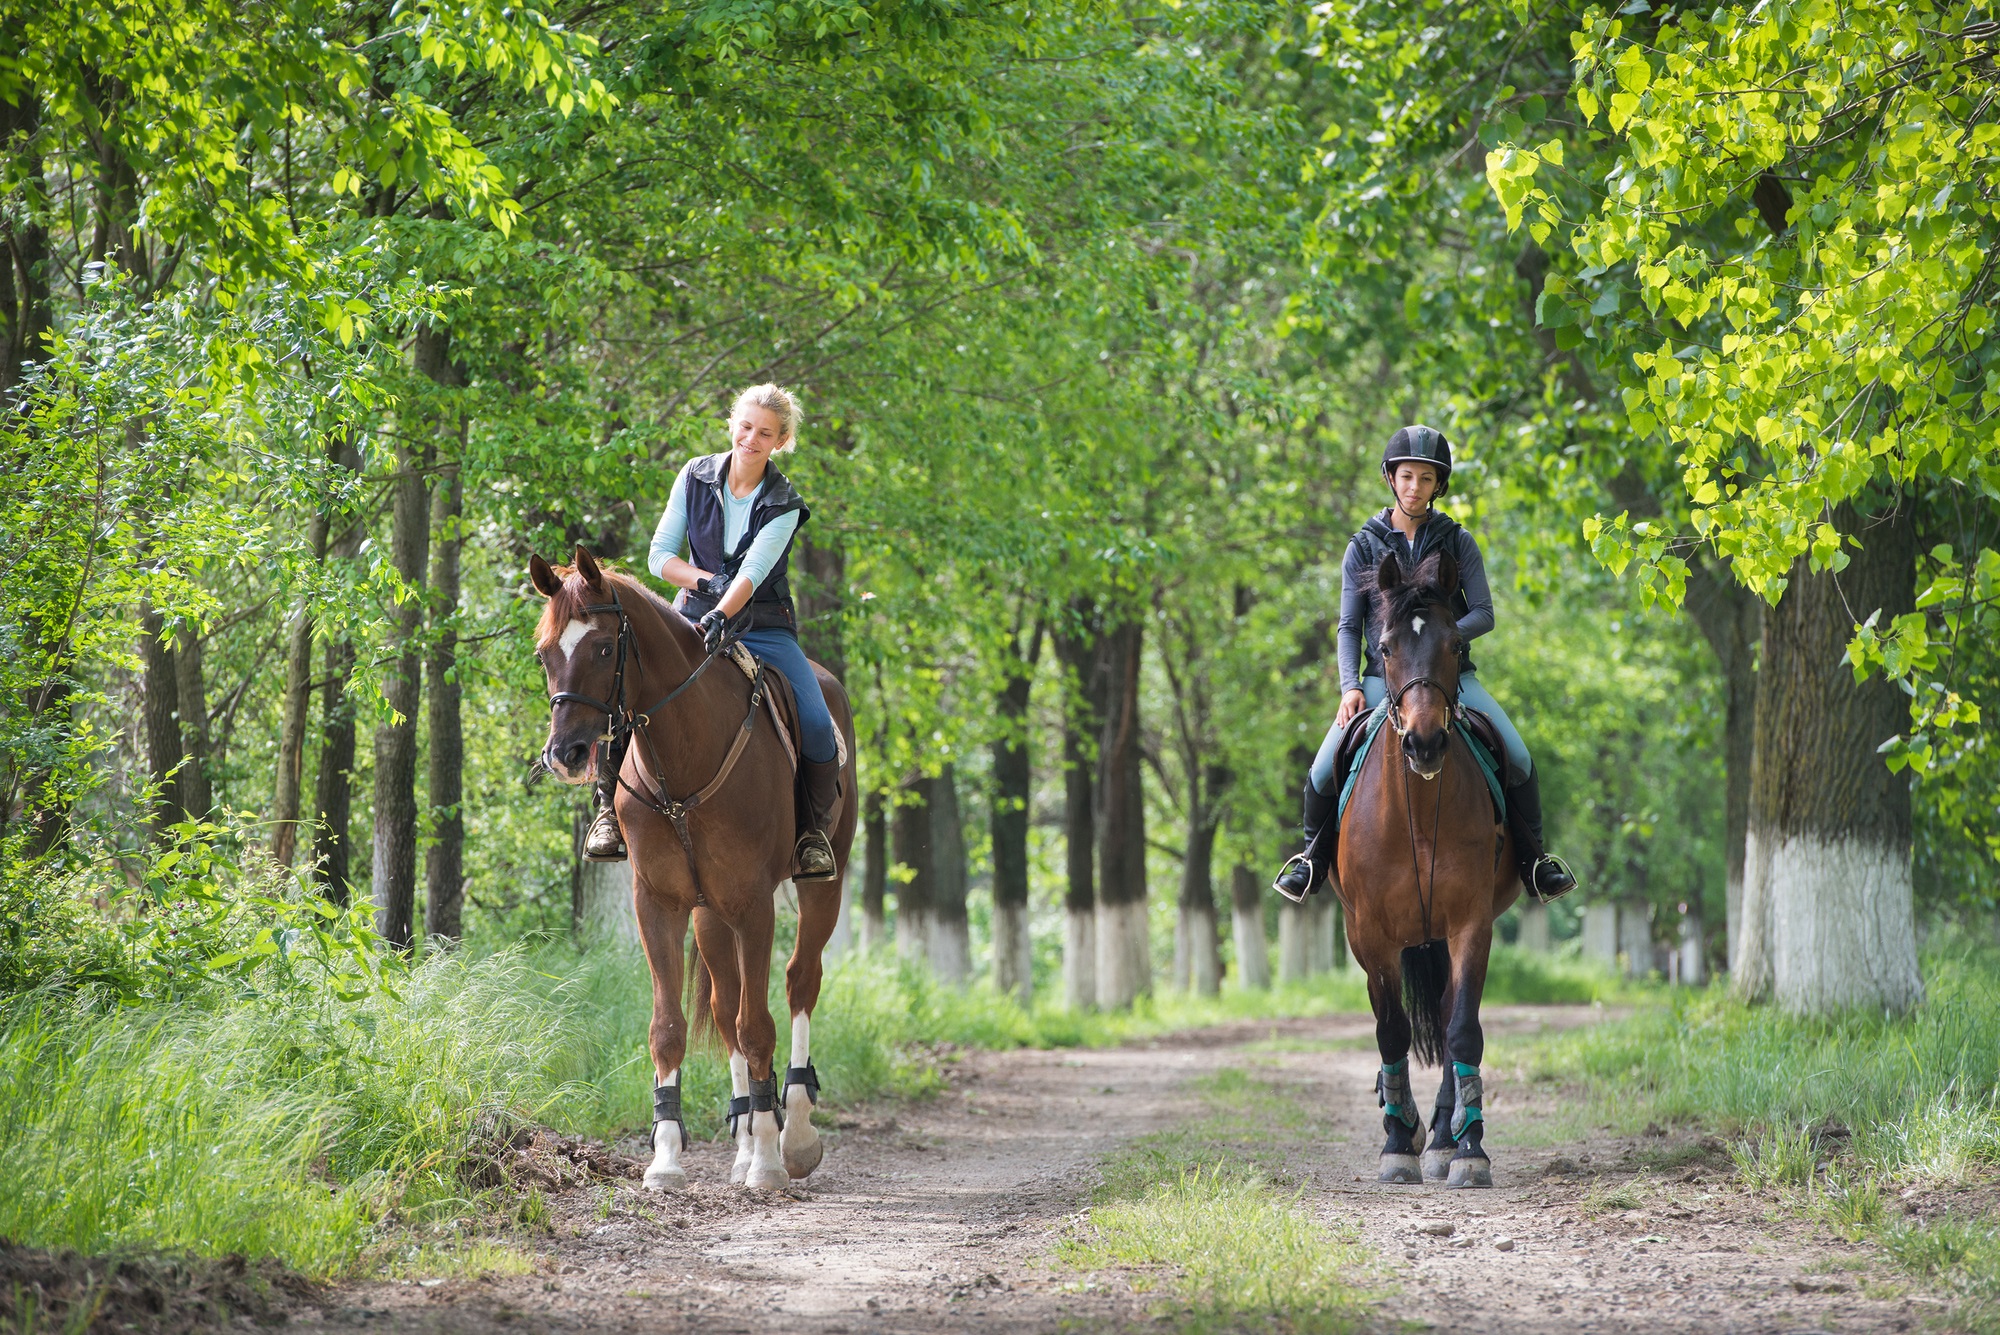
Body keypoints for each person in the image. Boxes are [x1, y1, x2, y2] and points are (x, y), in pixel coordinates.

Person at [1273, 424, 1576, 903]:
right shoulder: (1364, 545)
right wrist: (1350, 684)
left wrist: (1443, 638)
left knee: (1517, 755)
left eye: (1426, 479)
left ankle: (1535, 861)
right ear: (1391, 478)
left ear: (1439, 485)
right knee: (1319, 770)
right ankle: (1309, 861)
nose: (1415, 487)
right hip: (1381, 679)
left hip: (1450, 677)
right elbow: (1350, 626)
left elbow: (1484, 613)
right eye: (1407, 476)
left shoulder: (1458, 541)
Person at [580, 383, 842, 881]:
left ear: (781, 441)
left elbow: (754, 573)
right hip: (688, 618)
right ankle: (607, 816)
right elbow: (661, 557)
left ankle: (812, 833)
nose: (751, 439)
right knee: (621, 690)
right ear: (732, 424)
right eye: (745, 427)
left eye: (764, 433)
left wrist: (724, 609)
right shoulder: (694, 474)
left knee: (815, 719)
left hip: (761, 624)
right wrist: (705, 584)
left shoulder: (785, 502)